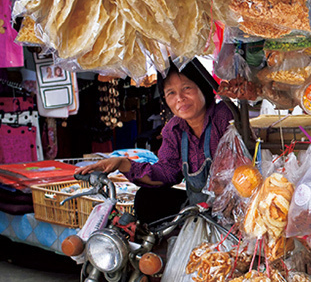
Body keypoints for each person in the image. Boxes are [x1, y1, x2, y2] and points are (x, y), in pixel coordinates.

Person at [78, 62, 234, 223]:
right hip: (199, 211)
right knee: (146, 198)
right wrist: (122, 164)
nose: (180, 98)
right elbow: (166, 173)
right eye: (171, 93)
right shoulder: (174, 129)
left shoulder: (223, 115)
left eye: (187, 88)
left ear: (202, 86)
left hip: (233, 209)